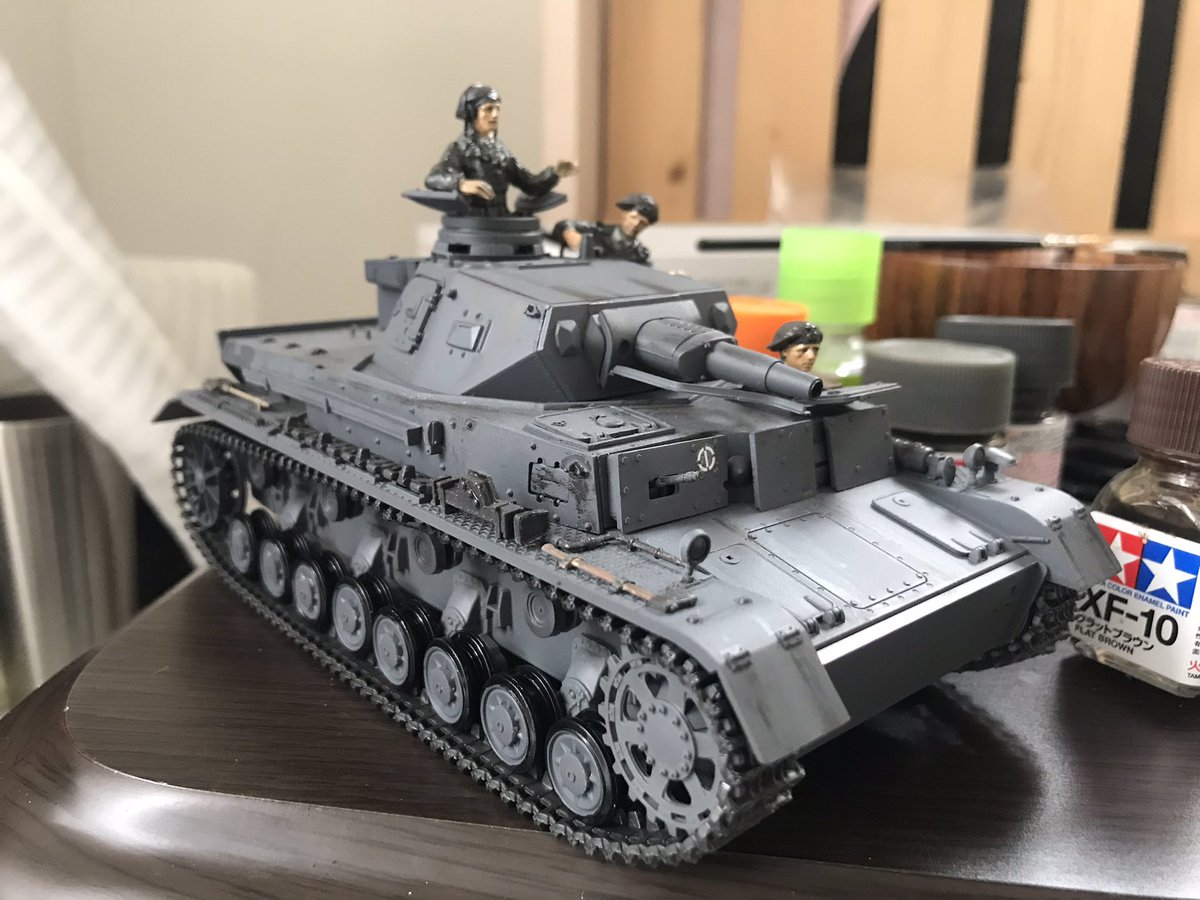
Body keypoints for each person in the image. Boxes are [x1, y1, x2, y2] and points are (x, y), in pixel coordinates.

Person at [425, 84, 578, 216]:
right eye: (488, 109)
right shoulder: (460, 149)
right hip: (474, 225)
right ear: (472, 113)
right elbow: (434, 178)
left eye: (497, 109)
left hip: (501, 220)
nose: (495, 114)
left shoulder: (501, 152)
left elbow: (529, 183)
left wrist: (554, 173)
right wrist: (461, 184)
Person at [552, 193, 659, 265]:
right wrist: (570, 233)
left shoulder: (640, 253)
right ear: (624, 214)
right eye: (633, 217)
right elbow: (563, 225)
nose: (636, 224)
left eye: (642, 223)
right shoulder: (597, 232)